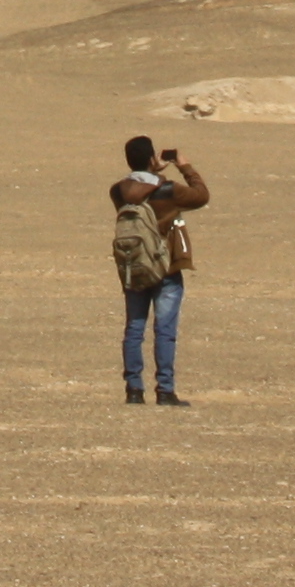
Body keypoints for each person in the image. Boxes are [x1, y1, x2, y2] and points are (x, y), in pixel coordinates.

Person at [111, 135, 208, 405]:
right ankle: (165, 390)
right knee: (164, 330)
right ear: (152, 158)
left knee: (134, 327)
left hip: (135, 265)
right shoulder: (168, 190)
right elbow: (201, 195)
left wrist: (151, 170)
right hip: (166, 267)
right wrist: (184, 167)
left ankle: (134, 390)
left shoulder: (118, 191)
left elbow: (139, 190)